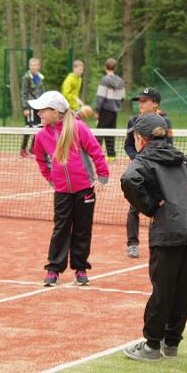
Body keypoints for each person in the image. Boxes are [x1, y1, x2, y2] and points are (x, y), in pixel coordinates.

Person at [121, 114, 187, 362]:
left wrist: (152, 207)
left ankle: (152, 346)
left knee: (163, 290)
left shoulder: (144, 161)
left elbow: (128, 179)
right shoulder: (183, 159)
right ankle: (172, 342)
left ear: (140, 138)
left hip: (166, 233)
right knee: (184, 289)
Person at [31, 91, 109, 286]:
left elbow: (95, 151)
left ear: (56, 112)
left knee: (83, 230)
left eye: (43, 110)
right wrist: (51, 179)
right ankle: (54, 269)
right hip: (62, 192)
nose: (38, 113)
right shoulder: (41, 136)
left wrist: (102, 176)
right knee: (61, 229)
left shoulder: (79, 128)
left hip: (85, 189)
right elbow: (40, 160)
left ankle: (81, 268)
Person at [123, 87, 173, 258]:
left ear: (155, 103)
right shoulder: (133, 121)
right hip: (140, 169)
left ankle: (163, 241)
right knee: (134, 206)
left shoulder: (165, 121)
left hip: (159, 170)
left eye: (144, 101)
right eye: (139, 101)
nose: (141, 104)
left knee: (163, 205)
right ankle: (132, 244)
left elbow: (169, 146)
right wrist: (138, 159)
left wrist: (155, 161)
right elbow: (128, 145)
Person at [95, 57, 125, 162]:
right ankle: (111, 156)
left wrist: (97, 110)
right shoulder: (121, 81)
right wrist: (116, 105)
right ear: (115, 68)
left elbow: (100, 97)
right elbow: (122, 97)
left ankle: (96, 156)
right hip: (114, 111)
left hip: (104, 110)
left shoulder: (104, 80)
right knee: (111, 133)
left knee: (99, 133)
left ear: (105, 67)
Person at [20, 57, 45, 158]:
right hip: (30, 106)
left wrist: (44, 104)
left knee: (39, 127)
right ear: (29, 66)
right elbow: (24, 93)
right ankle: (23, 149)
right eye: (32, 65)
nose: (34, 67)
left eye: (36, 65)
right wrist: (25, 107)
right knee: (29, 127)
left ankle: (33, 148)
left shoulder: (39, 77)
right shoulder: (26, 77)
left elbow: (41, 91)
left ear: (39, 67)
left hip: (38, 106)